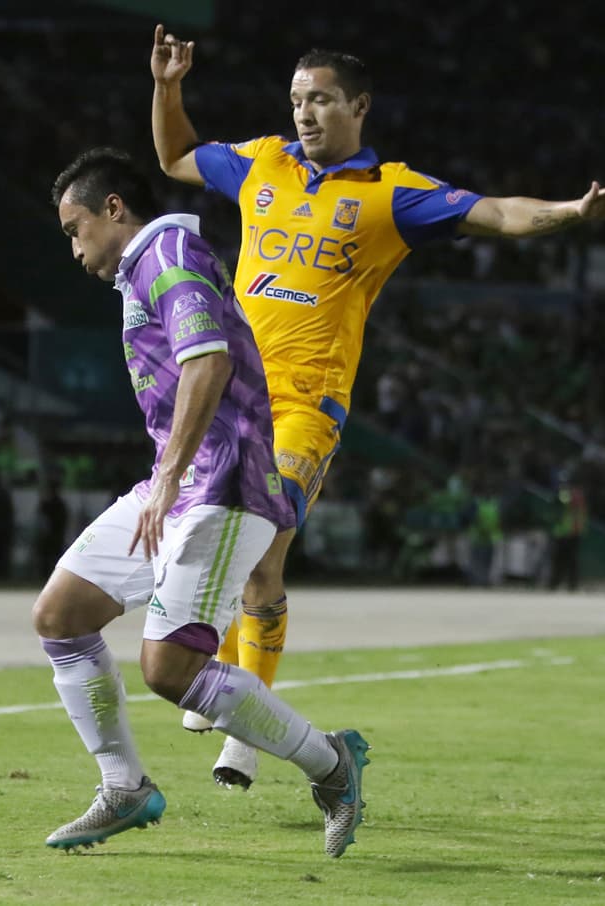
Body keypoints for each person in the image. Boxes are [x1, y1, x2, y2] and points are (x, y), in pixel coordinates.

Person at [150, 26, 605, 786]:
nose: (305, 113)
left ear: (359, 106)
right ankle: (221, 668)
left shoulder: (392, 193)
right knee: (210, 544)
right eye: (296, 99)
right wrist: (167, 88)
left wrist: (574, 212)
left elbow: (499, 214)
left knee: (260, 557)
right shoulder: (261, 164)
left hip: (307, 406)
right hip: (229, 398)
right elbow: (175, 158)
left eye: (321, 100)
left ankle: (242, 734)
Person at [35, 147, 369, 858]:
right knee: (61, 615)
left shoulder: (168, 253)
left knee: (170, 670)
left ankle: (332, 763)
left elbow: (208, 360)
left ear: (113, 209)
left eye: (75, 229)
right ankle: (124, 787)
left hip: (225, 484)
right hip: (182, 482)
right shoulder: (143, 270)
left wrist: (168, 477)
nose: (74, 249)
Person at [548, 470, 587, 591]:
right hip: (569, 532)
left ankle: (561, 584)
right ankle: (564, 584)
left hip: (567, 533)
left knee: (563, 560)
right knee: (567, 560)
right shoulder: (575, 494)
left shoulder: (566, 494)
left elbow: (564, 503)